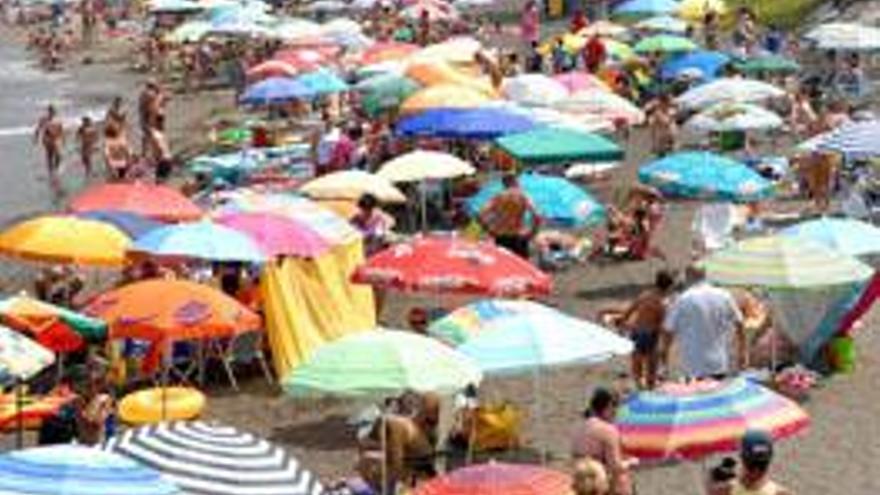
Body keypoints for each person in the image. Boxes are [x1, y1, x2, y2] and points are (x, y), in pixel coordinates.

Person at [662, 265, 746, 380]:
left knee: (696, 396)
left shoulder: (682, 299)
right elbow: (740, 322)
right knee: (718, 395)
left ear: (687, 277)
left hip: (692, 365)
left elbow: (668, 330)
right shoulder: (724, 295)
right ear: (705, 275)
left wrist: (664, 357)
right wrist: (742, 351)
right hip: (719, 363)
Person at [611, 270, 675, 389]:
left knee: (637, 362)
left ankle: (639, 386)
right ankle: (649, 389)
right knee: (651, 367)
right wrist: (665, 345)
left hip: (636, 332)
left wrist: (622, 322)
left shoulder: (644, 295)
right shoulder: (661, 303)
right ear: (668, 287)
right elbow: (662, 326)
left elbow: (629, 311)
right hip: (650, 335)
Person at [571, 388, 637, 495]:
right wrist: (631, 462)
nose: (616, 412)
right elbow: (615, 467)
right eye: (615, 406)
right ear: (609, 407)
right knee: (624, 480)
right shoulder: (608, 430)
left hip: (582, 487)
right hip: (605, 487)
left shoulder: (578, 428)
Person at [478, 174, 541, 259]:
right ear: (516, 182)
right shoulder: (523, 196)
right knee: (520, 268)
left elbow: (481, 214)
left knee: (504, 266)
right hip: (518, 235)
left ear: (504, 184)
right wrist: (532, 232)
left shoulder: (499, 197)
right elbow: (537, 215)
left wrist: (489, 230)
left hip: (502, 236)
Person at [711, 430, 793, 495]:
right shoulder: (725, 491)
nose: (756, 471)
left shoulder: (780, 493)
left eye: (762, 466)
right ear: (742, 459)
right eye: (751, 465)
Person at [34, 104, 64, 194]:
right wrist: (35, 138)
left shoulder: (58, 120)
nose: (53, 112)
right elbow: (38, 129)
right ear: (49, 111)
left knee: (59, 155)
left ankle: (56, 170)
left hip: (56, 139)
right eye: (51, 110)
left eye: (54, 110)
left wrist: (63, 139)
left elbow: (61, 130)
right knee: (49, 156)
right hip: (47, 139)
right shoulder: (43, 119)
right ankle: (51, 172)